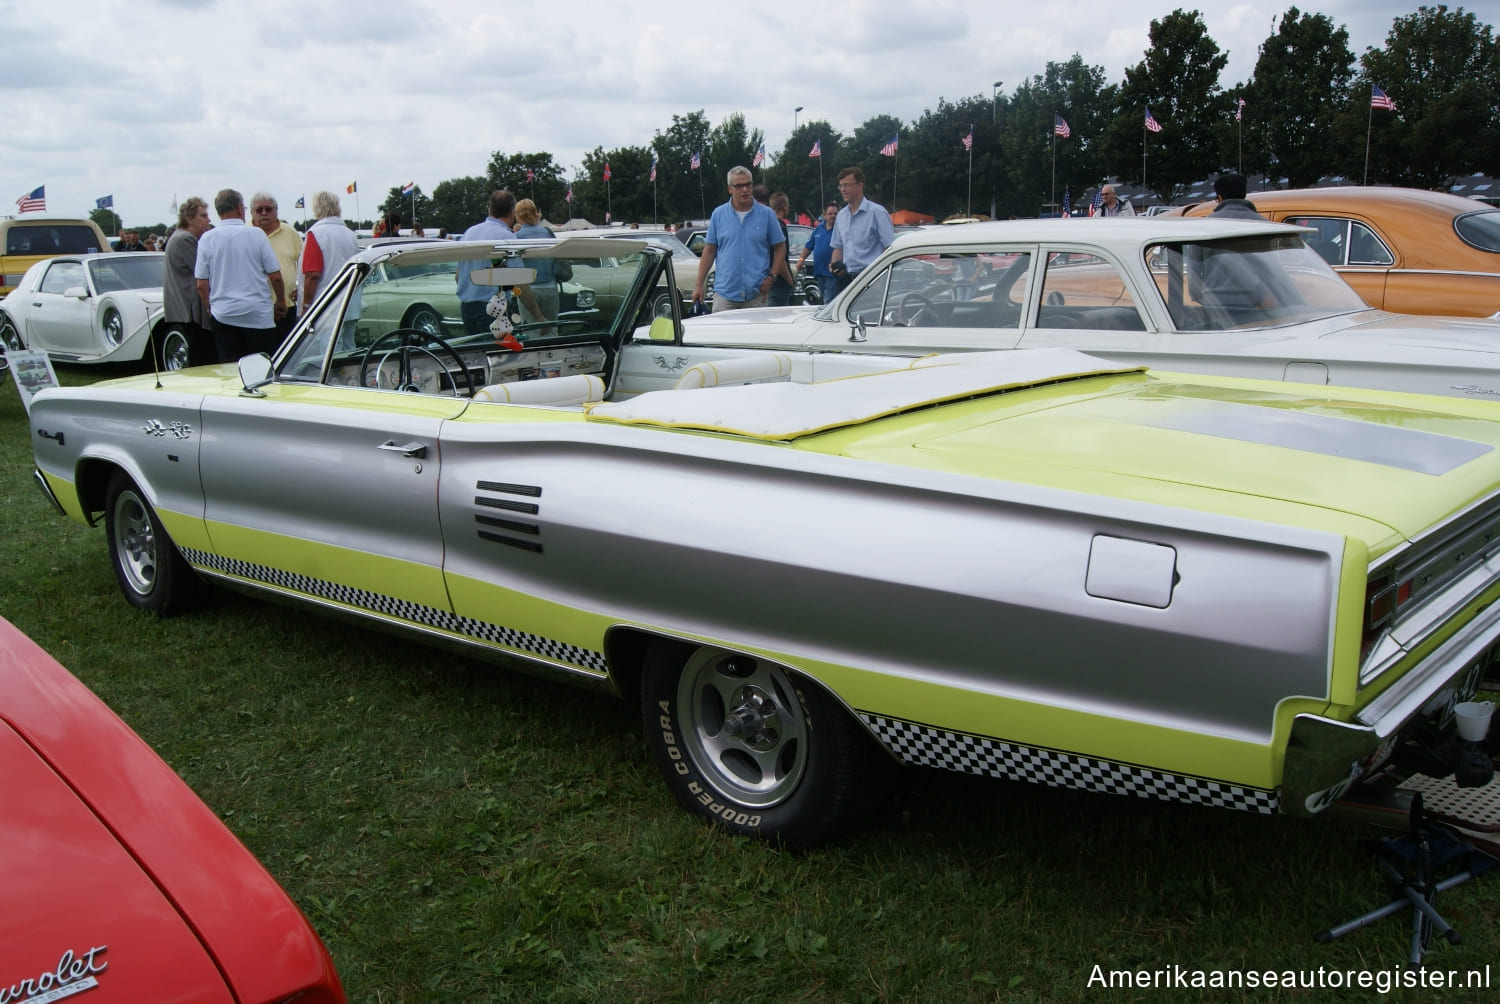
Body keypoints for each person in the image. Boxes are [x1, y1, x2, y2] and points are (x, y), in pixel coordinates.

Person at [194, 188, 284, 361]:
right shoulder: (256, 234)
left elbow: (201, 284)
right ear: (239, 208)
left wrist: (210, 307)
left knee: (230, 369)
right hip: (257, 314)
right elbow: (276, 277)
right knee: (263, 366)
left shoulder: (207, 239)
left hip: (224, 314)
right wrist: (280, 301)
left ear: (218, 211)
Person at [692, 166, 790, 312]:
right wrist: (699, 285)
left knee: (756, 336)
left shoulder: (767, 215)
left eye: (748, 185)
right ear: (729, 189)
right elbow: (709, 251)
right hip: (725, 295)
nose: (744, 190)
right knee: (722, 335)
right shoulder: (718, 215)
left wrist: (771, 277)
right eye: (739, 186)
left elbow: (780, 247)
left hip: (756, 295)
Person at [163, 197, 214, 366]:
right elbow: (204, 272)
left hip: (185, 310)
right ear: (190, 218)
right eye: (203, 215)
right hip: (190, 311)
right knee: (201, 357)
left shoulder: (179, 237)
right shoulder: (185, 239)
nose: (208, 219)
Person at [250, 192, 303, 342]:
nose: (264, 213)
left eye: (268, 209)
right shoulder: (246, 233)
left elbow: (303, 263)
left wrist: (301, 287)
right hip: (256, 308)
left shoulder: (290, 232)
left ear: (276, 210)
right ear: (251, 213)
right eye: (259, 210)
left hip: (286, 306)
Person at [829, 167, 894, 288]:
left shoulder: (877, 213)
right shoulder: (841, 216)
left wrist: (880, 278)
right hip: (846, 281)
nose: (843, 189)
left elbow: (889, 248)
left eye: (847, 185)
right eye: (841, 186)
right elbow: (838, 247)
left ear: (860, 186)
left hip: (872, 281)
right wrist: (834, 265)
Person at [298, 190, 359, 309]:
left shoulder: (316, 234)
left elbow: (312, 275)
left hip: (324, 307)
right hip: (350, 303)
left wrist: (306, 306)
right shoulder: (350, 235)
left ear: (316, 208)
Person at [512, 198, 559, 333]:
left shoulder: (517, 237)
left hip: (528, 289)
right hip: (550, 286)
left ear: (518, 216)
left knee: (531, 331)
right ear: (535, 213)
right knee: (552, 329)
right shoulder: (548, 233)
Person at [794, 202, 840, 304]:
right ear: (825, 215)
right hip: (819, 272)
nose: (833, 216)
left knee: (829, 302)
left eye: (835, 214)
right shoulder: (818, 228)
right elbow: (808, 246)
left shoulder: (840, 230)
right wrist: (801, 260)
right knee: (823, 299)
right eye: (830, 213)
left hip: (832, 274)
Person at [767, 192, 794, 307]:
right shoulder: (779, 226)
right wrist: (789, 280)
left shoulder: (768, 224)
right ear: (784, 207)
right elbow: (780, 255)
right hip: (779, 282)